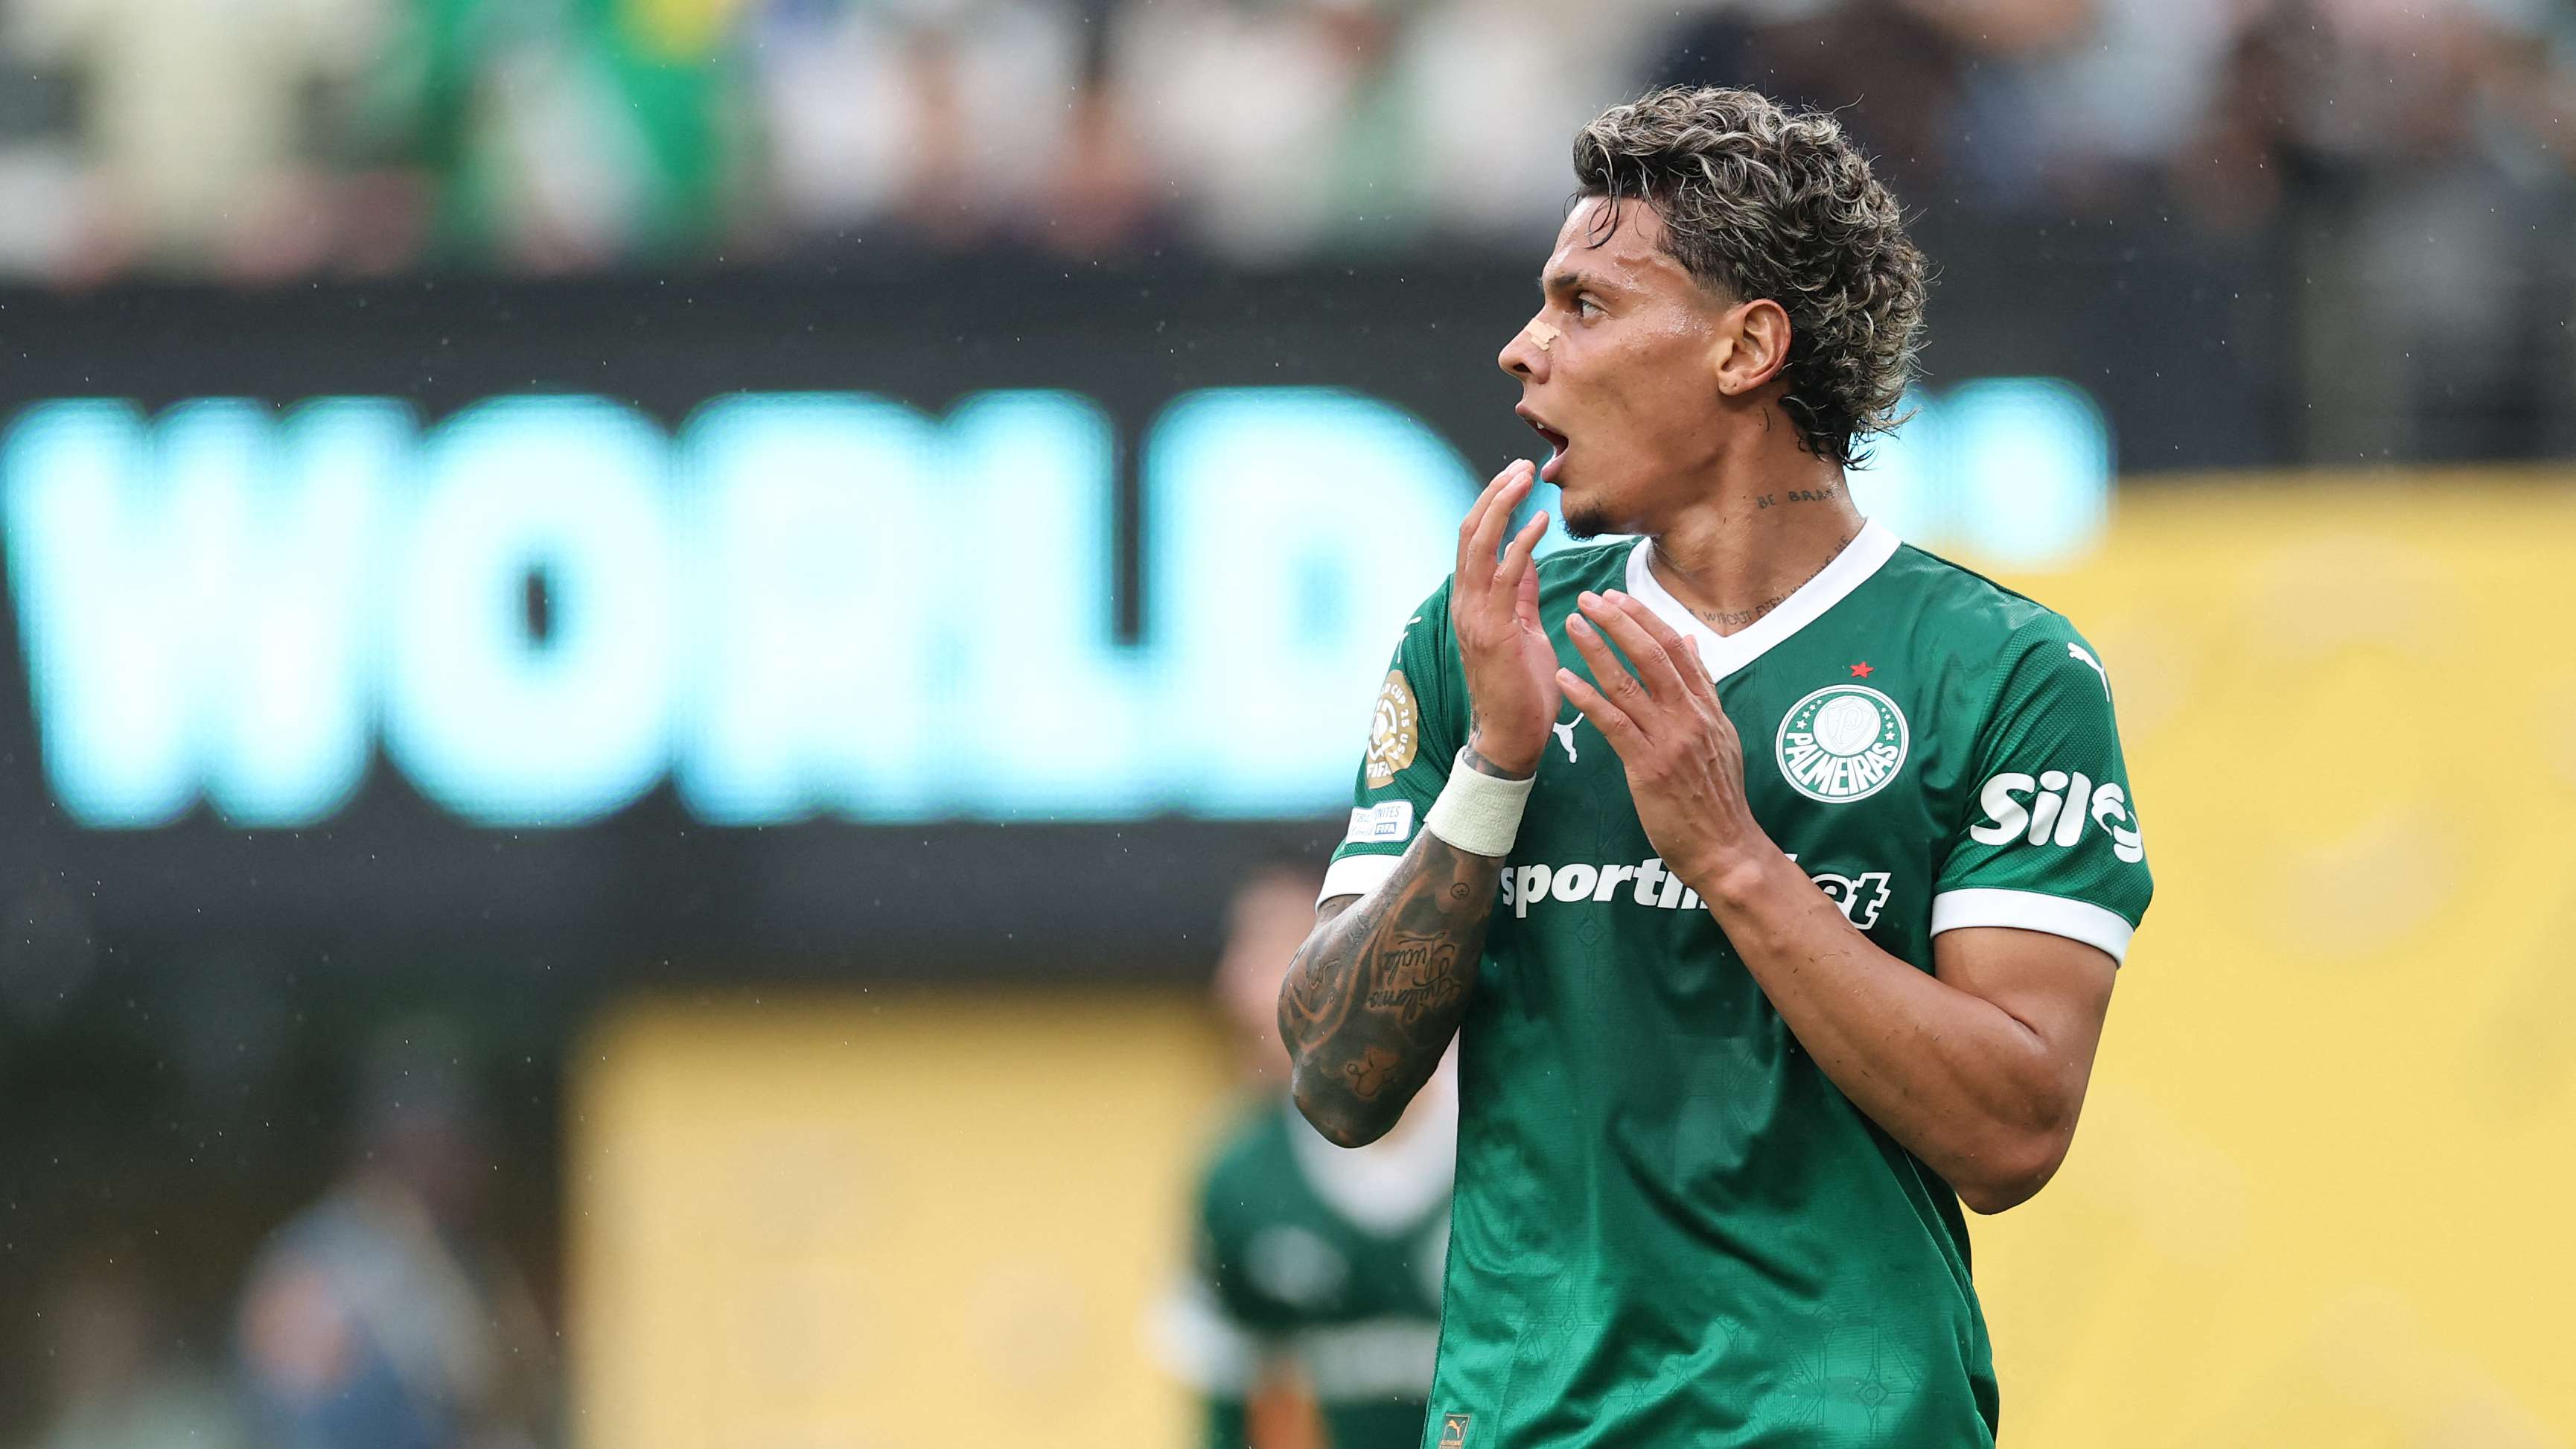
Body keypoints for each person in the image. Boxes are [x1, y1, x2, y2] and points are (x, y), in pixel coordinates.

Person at [1277, 86, 2153, 1448]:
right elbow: (1338, 1081)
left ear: (1746, 347)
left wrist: (1733, 857)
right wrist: (1496, 767)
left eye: (1585, 305)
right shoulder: (1482, 646)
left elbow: (2012, 1135)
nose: (1522, 349)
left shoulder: (2006, 672)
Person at [1161, 862, 1456, 1449]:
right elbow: (1229, 1407)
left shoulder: (1515, 1137)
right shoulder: (1241, 1176)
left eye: (1274, 949)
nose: (1237, 985)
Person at [235, 1029, 550, 1449]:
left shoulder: (462, 1254)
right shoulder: (321, 1260)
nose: (448, 1170)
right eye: (425, 1148)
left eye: (458, 1149)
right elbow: (293, 1418)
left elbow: (508, 1399)